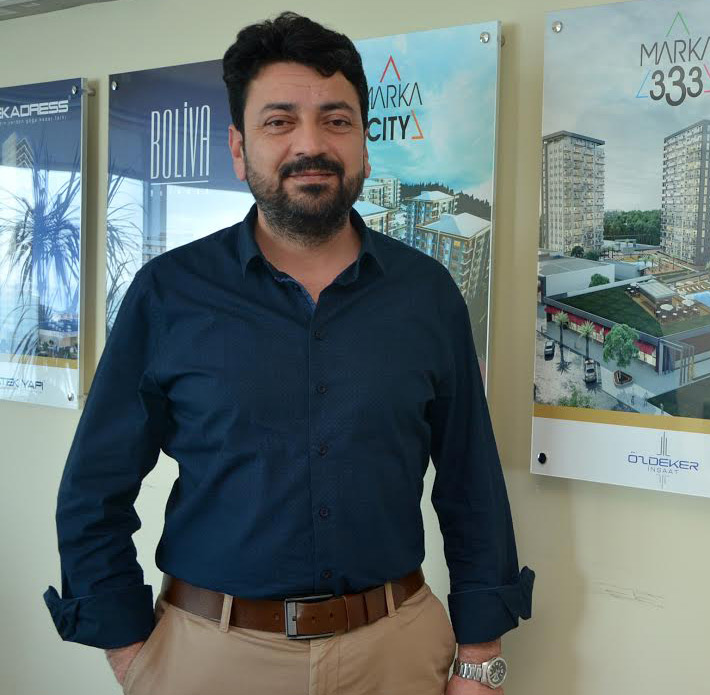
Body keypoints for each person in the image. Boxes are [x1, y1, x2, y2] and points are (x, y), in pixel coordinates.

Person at [42, 13, 532, 694]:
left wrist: (480, 658)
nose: (312, 144)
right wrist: (132, 653)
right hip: (211, 658)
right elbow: (94, 488)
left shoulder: (427, 294)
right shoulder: (169, 293)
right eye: (279, 122)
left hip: (394, 653)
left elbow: (471, 482)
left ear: (363, 143)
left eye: (337, 120)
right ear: (239, 148)